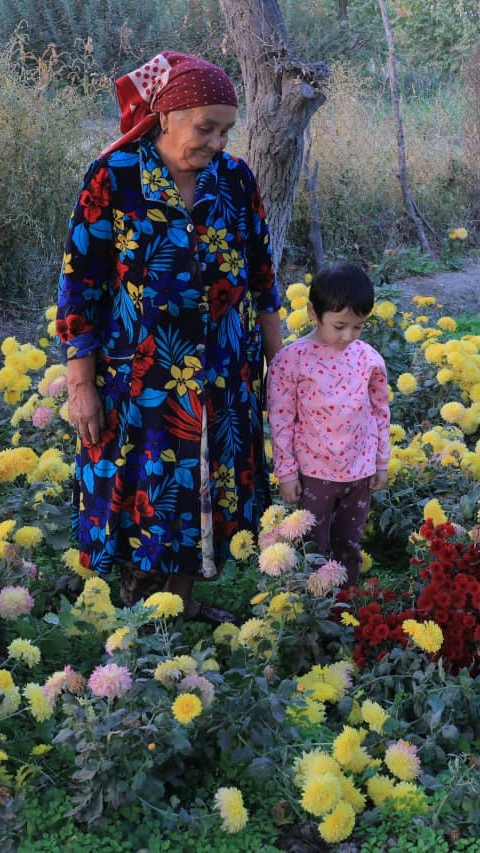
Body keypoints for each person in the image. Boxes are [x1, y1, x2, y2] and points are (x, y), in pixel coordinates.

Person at [55, 51, 283, 625]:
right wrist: (80, 384)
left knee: (205, 479)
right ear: (165, 116)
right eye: (205, 127)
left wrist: (280, 367)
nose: (216, 141)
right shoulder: (115, 177)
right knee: (146, 480)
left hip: (225, 368)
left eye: (226, 130)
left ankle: (179, 601)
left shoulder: (234, 180)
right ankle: (141, 609)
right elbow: (79, 285)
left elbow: (261, 277)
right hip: (141, 375)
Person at [266, 263, 391, 588]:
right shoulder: (291, 361)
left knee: (349, 544)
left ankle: (345, 609)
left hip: (360, 472)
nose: (347, 336)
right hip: (314, 475)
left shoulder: (368, 359)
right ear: (312, 312)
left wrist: (380, 462)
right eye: (339, 326)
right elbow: (281, 420)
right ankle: (312, 609)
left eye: (358, 327)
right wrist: (287, 473)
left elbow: (380, 412)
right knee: (313, 547)